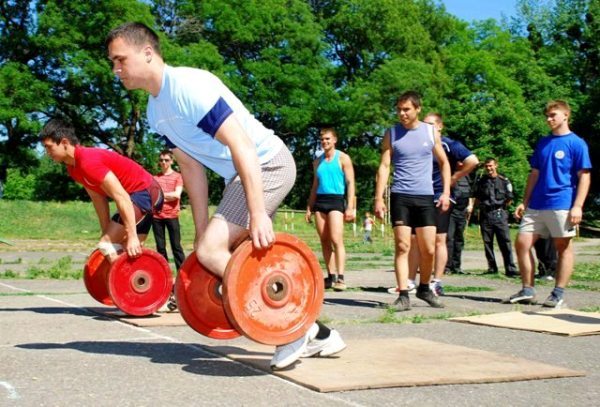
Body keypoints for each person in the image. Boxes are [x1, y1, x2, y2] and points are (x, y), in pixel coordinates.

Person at [106, 22, 345, 370]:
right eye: (113, 62)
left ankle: (295, 329)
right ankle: (320, 333)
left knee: (214, 251)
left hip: (267, 165)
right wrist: (201, 229)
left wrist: (258, 212)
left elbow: (241, 144)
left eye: (120, 60)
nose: (116, 69)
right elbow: (191, 168)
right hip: (242, 174)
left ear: (147, 53)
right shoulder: (157, 112)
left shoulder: (189, 87)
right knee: (217, 250)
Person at [39, 119, 163, 262]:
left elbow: (121, 196)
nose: (47, 152)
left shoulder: (88, 161)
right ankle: (147, 282)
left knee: (107, 245)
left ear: (65, 143)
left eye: (49, 147)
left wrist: (131, 235)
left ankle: (124, 280)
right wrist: (106, 231)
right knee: (127, 251)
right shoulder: (73, 168)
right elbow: (98, 198)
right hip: (137, 197)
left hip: (146, 192)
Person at [508, 100, 591, 308]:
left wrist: (578, 205)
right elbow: (534, 174)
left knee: (562, 247)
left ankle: (558, 293)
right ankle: (528, 289)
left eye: (553, 115)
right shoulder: (543, 142)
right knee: (522, 243)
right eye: (547, 116)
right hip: (537, 204)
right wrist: (524, 201)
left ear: (565, 115)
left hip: (562, 203)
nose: (549, 119)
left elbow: (584, 176)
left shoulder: (577, 143)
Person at [374, 91, 451, 311]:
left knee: (428, 250)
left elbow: (444, 163)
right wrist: (379, 198)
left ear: (417, 109)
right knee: (402, 246)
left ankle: (425, 288)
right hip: (401, 196)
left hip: (425, 196)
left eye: (406, 109)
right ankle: (403, 295)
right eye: (398, 109)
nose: (402, 113)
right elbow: (384, 166)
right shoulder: (392, 133)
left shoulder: (430, 131)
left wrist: (445, 192)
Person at [413, 113, 479, 296]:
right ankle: (412, 281)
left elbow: (473, 161)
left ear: (440, 126)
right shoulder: (419, 144)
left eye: (431, 125)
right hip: (420, 195)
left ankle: (436, 281)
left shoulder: (449, 145)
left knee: (439, 240)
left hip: (441, 196)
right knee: (416, 241)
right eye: (424, 125)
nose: (427, 128)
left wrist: (454, 177)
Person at [305, 128, 356, 291]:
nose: (324, 142)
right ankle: (331, 276)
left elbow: (350, 183)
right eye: (322, 139)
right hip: (321, 201)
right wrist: (309, 207)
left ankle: (341, 278)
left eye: (327, 139)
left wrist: (350, 206)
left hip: (336, 201)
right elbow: (314, 186)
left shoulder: (343, 158)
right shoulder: (317, 162)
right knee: (324, 240)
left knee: (336, 239)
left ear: (334, 140)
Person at [472, 158, 519, 277]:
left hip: (499, 214)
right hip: (485, 215)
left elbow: (509, 198)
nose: (488, 168)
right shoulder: (481, 181)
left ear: (496, 166)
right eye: (486, 166)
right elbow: (476, 198)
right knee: (487, 242)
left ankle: (510, 268)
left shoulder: (504, 181)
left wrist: (501, 209)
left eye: (491, 166)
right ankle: (492, 267)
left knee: (505, 242)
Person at [152, 149, 186, 312]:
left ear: (172, 161)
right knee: (160, 248)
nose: (163, 163)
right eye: (161, 160)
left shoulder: (177, 176)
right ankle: (165, 278)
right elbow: (151, 194)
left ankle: (184, 278)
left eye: (166, 160)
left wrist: (161, 195)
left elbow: (176, 195)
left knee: (176, 248)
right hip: (157, 216)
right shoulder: (155, 178)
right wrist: (165, 195)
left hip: (172, 215)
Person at [445, 171, 475, 275]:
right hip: (451, 212)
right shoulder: (451, 173)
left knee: (459, 239)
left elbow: (470, 193)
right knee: (449, 238)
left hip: (462, 212)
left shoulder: (467, 176)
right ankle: (447, 266)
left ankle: (457, 266)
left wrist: (470, 205)